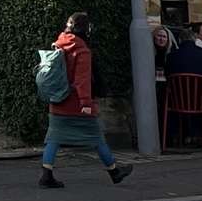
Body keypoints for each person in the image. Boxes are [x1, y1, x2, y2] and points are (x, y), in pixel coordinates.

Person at [40, 11, 133, 190]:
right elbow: (82, 80)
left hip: (57, 100)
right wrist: (86, 103)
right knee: (97, 138)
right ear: (86, 29)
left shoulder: (59, 44)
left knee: (54, 139)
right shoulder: (82, 50)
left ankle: (46, 174)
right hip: (76, 103)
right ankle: (114, 172)